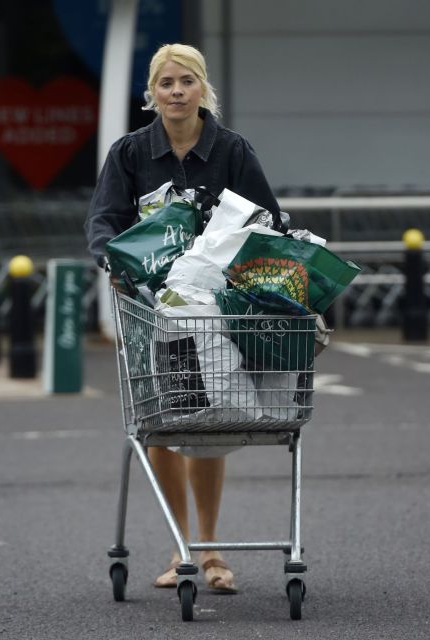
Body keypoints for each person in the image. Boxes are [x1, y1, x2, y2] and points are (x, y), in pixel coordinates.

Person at [85, 43, 282, 593]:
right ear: (151, 93)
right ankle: (182, 546)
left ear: (202, 89)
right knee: (162, 422)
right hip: (151, 306)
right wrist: (111, 256)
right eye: (166, 83)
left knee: (210, 416)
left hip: (212, 309)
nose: (176, 91)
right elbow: (104, 219)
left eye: (186, 82)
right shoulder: (130, 154)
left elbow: (265, 221)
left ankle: (211, 547)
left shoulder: (232, 151)